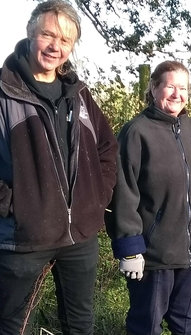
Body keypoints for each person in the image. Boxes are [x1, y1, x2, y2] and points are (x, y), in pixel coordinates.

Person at [0, 1, 118, 334]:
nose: (56, 46)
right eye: (48, 35)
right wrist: (11, 204)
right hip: (22, 237)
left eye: (66, 40)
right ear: (30, 33)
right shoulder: (4, 92)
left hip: (79, 236)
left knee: (80, 325)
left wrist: (97, 195)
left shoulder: (78, 95)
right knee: (12, 326)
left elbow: (107, 148)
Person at [106, 60, 191, 335]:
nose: (177, 94)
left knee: (189, 326)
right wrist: (130, 247)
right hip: (154, 257)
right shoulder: (136, 133)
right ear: (154, 88)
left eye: (183, 88)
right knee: (146, 326)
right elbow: (123, 193)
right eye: (170, 86)